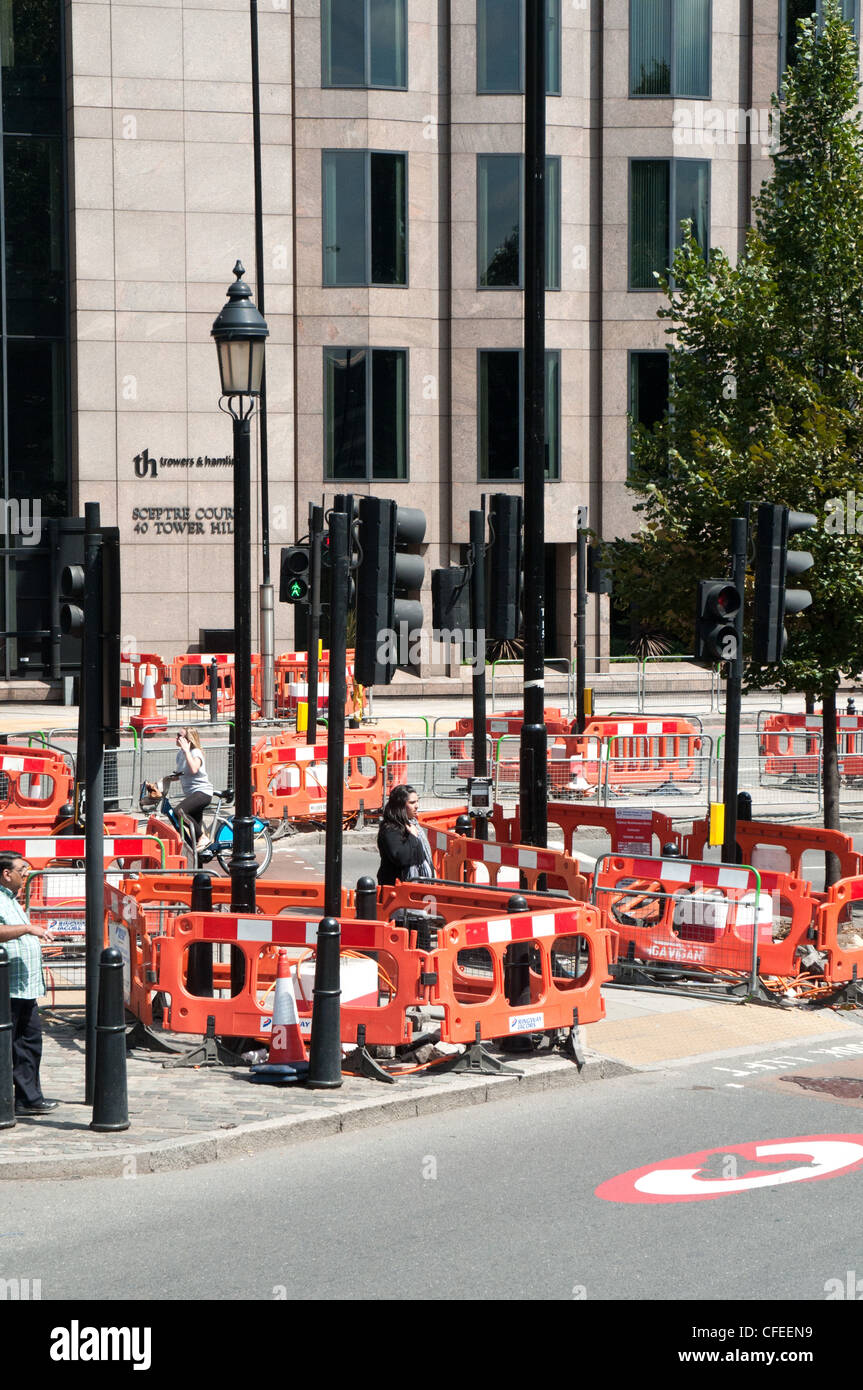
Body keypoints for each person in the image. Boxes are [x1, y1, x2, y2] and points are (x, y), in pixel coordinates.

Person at [0, 853, 58, 1116]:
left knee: (29, 1042)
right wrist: (27, 930)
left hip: (25, 988)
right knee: (11, 1044)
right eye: (22, 869)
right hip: (8, 988)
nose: (26, 874)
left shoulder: (11, 899)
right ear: (6, 873)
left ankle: (28, 1098)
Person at [165, 728, 213, 850]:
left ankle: (203, 837)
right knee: (194, 838)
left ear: (188, 740)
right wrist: (168, 779)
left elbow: (194, 769)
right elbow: (183, 773)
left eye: (180, 736)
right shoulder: (180, 753)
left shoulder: (195, 752)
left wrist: (187, 751)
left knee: (179, 812)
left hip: (202, 792)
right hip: (192, 794)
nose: (177, 738)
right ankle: (198, 860)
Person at [377, 785, 435, 886]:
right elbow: (401, 858)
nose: (417, 806)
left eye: (417, 801)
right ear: (400, 806)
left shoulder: (412, 824)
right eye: (412, 803)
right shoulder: (391, 828)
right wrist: (412, 836)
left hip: (418, 886)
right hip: (397, 888)